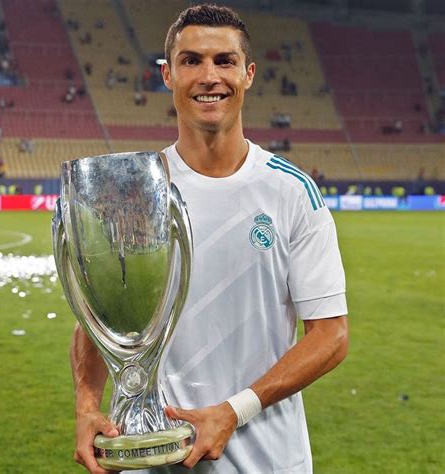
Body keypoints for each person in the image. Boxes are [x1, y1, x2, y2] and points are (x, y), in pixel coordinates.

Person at [71, 5, 348, 474]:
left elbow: (331, 335)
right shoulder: (134, 189)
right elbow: (101, 322)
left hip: (267, 460)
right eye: (191, 60)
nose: (209, 75)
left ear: (249, 73)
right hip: (148, 458)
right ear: (167, 74)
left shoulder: (291, 190)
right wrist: (85, 404)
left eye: (224, 60)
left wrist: (234, 409)